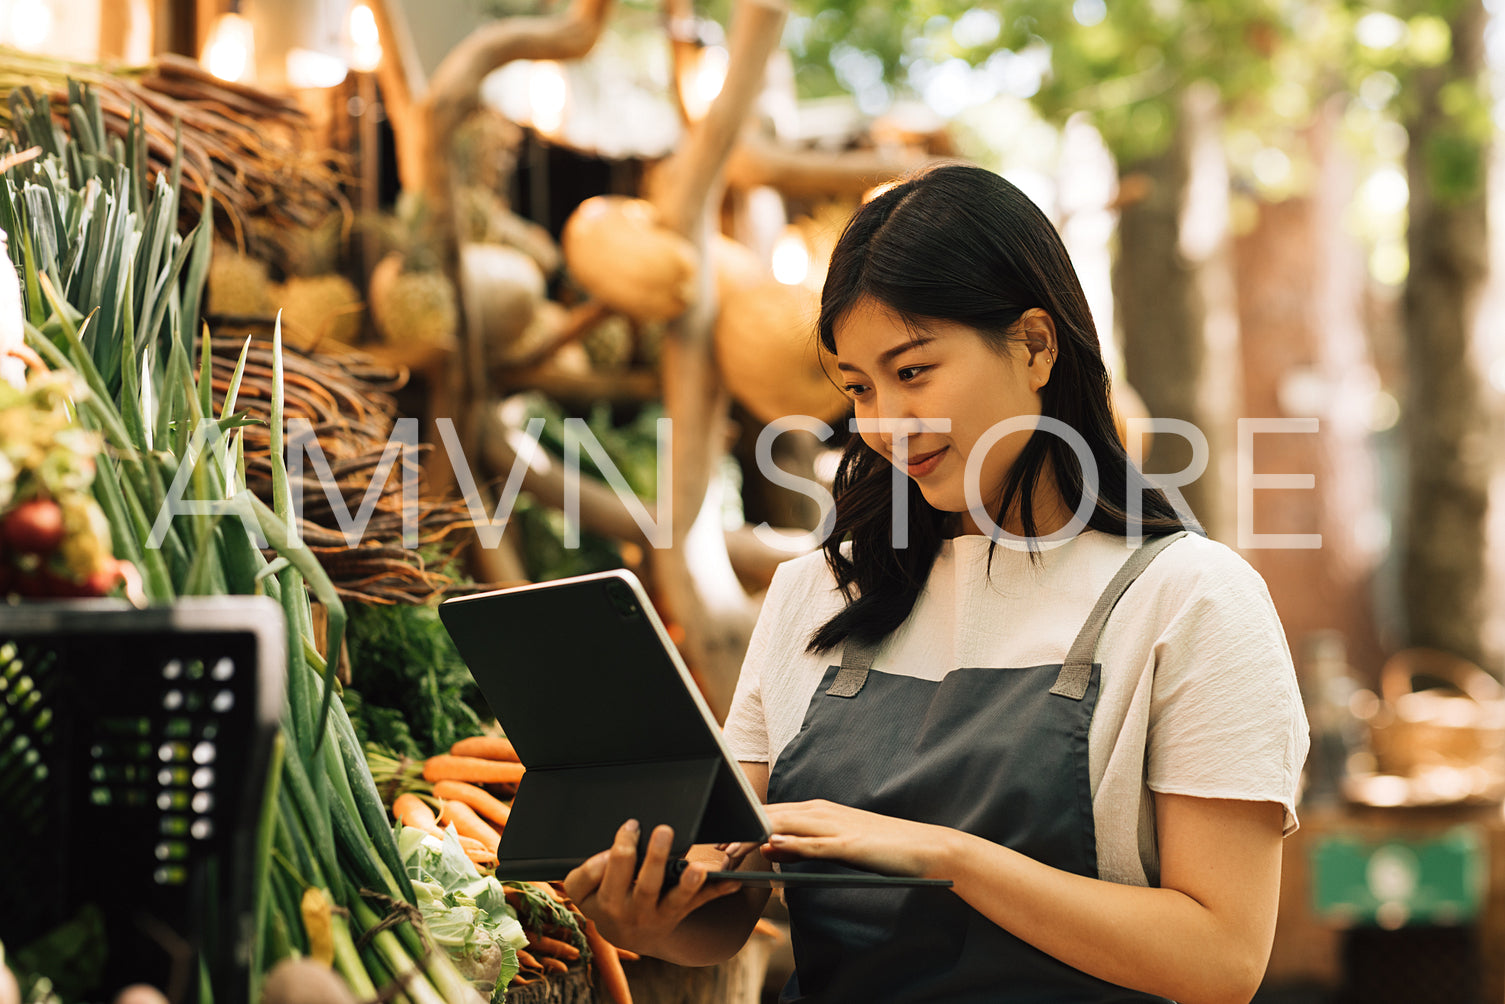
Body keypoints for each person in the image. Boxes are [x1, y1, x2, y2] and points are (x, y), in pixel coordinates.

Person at [563, 163, 1310, 1003]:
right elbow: (729, 910)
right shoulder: (814, 595)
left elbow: (1221, 959)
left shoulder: (1190, 600)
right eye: (858, 388)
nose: (884, 423)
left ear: (1034, 345)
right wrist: (645, 914)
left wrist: (945, 860)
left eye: (913, 372)